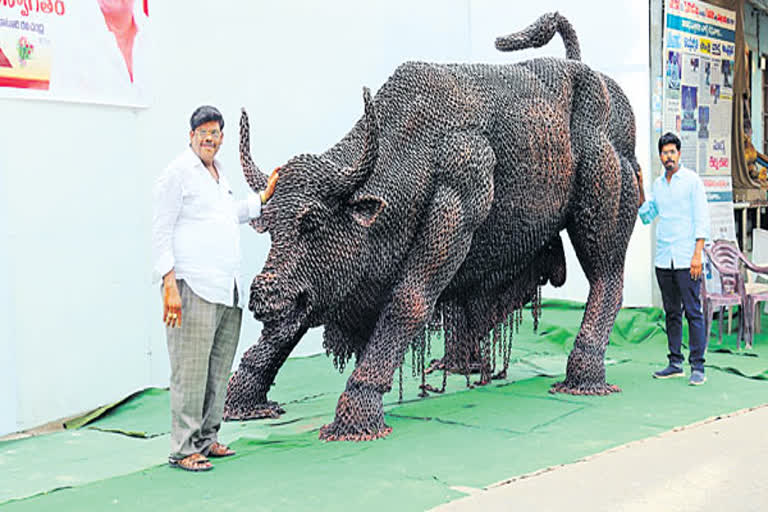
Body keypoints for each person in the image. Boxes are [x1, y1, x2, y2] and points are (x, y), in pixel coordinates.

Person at [152, 106, 278, 471]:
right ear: (190, 136)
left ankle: (207, 439)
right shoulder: (177, 174)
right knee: (190, 371)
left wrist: (262, 198)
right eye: (203, 132)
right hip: (193, 286)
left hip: (226, 287)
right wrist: (169, 284)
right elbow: (161, 230)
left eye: (216, 133)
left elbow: (226, 215)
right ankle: (183, 448)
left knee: (218, 370)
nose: (209, 138)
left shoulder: (219, 175)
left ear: (222, 138)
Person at [638, 132, 710, 386]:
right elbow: (647, 217)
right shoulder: (658, 185)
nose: (668, 157)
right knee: (671, 312)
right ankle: (675, 362)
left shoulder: (692, 181)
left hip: (686, 258)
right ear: (660, 156)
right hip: (664, 259)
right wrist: (640, 189)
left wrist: (697, 254)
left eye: (672, 152)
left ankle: (698, 366)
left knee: (693, 311)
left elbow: (702, 218)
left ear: (679, 154)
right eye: (664, 153)